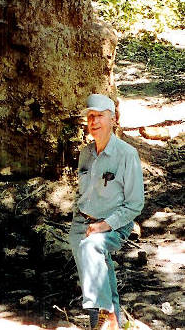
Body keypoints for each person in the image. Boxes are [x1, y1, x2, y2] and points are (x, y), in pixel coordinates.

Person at [69, 94, 144, 329]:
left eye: (100, 116)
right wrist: (77, 220)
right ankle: (111, 321)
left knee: (91, 247)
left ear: (113, 120)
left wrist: (104, 225)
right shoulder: (86, 153)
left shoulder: (127, 154)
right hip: (83, 222)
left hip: (114, 224)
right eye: (91, 117)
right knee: (97, 262)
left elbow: (135, 204)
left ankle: (104, 313)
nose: (94, 122)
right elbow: (82, 193)